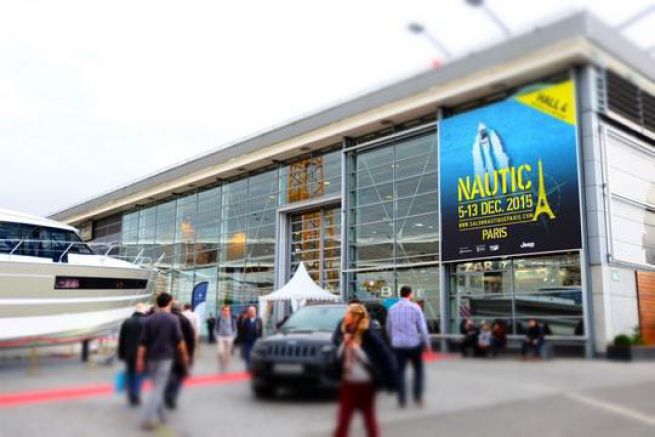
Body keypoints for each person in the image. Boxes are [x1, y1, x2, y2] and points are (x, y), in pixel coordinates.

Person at [333, 303, 396, 437]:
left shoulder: (369, 336)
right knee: (343, 420)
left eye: (348, 314)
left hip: (366, 384)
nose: (345, 317)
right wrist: (345, 343)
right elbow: (338, 358)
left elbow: (379, 358)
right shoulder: (344, 334)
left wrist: (391, 381)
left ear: (356, 317)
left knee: (369, 418)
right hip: (348, 384)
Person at [136, 293, 189, 431]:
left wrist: (140, 359)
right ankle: (147, 419)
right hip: (165, 358)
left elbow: (143, 343)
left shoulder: (149, 320)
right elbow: (179, 341)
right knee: (158, 389)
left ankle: (162, 415)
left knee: (157, 387)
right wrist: (184, 356)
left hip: (151, 358)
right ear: (169, 303)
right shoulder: (173, 319)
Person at [385, 285, 431, 408]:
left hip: (398, 345)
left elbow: (388, 328)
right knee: (418, 370)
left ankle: (401, 399)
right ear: (410, 294)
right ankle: (417, 397)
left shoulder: (392, 309)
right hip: (413, 344)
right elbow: (422, 328)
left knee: (400, 371)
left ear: (401, 294)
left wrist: (392, 340)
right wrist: (427, 343)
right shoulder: (415, 308)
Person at [164, 301, 196, 409]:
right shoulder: (185, 320)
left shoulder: (166, 319)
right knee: (179, 376)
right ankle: (172, 396)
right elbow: (191, 338)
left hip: (166, 352)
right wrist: (190, 354)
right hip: (181, 353)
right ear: (180, 308)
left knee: (167, 374)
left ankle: (167, 393)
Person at [117, 303, 147, 406]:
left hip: (128, 353)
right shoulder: (146, 322)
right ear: (144, 311)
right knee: (138, 375)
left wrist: (121, 353)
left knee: (129, 373)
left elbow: (122, 339)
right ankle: (136, 395)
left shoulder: (127, 322)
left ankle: (130, 395)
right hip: (140, 354)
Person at [215, 305, 237, 373]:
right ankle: (221, 365)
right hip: (221, 338)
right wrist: (217, 337)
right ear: (222, 311)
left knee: (227, 354)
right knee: (220, 352)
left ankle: (226, 367)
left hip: (229, 338)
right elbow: (215, 329)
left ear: (229, 311)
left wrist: (233, 337)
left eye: (227, 310)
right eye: (224, 310)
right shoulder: (219, 318)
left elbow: (235, 330)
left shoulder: (232, 319)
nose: (226, 312)